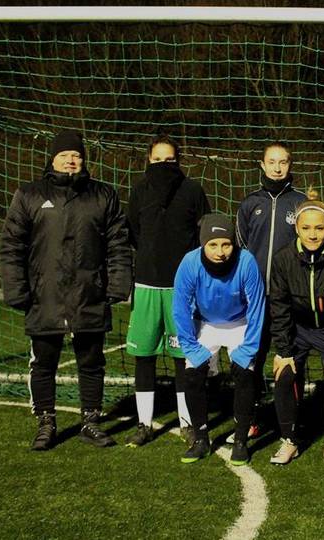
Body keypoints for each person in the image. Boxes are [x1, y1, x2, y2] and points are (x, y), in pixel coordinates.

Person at [0, 130, 132, 451]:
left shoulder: (103, 195)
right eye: (64, 155)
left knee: (92, 362)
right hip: (44, 296)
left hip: (90, 294)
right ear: (53, 159)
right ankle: (46, 423)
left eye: (76, 155)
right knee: (44, 363)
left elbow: (118, 243)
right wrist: (16, 289)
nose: (71, 161)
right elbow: (12, 246)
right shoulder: (29, 195)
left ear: (83, 160)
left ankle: (90, 422)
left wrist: (118, 284)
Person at [124, 135, 210, 447]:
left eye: (169, 159)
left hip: (182, 288)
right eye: (158, 159)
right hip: (146, 285)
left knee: (182, 356)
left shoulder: (192, 190)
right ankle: (144, 423)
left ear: (179, 161)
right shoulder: (139, 190)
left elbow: (203, 234)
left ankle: (187, 422)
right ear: (149, 160)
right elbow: (133, 231)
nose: (163, 165)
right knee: (144, 356)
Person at [269, 198, 324, 467]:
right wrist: (284, 350)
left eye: (319, 228)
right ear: (296, 228)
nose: (312, 234)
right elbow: (279, 307)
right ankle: (289, 441)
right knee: (283, 373)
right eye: (306, 228)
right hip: (298, 329)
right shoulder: (283, 259)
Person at [172, 214, 265, 465]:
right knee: (192, 375)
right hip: (206, 323)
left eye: (226, 244)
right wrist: (191, 347)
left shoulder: (247, 262)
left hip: (239, 323)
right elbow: (180, 308)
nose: (220, 252)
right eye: (213, 245)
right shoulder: (189, 263)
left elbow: (257, 309)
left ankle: (241, 441)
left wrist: (247, 349)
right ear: (203, 243)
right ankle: (201, 439)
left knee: (245, 374)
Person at [234, 142, 308, 442]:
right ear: (262, 165)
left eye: (283, 162)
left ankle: (292, 421)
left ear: (290, 165)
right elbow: (241, 249)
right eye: (272, 162)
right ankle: (251, 418)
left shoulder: (301, 203)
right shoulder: (249, 204)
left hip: (290, 299)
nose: (278, 168)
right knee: (252, 358)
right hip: (255, 299)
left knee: (291, 359)